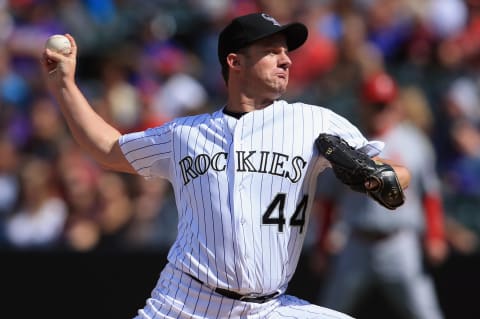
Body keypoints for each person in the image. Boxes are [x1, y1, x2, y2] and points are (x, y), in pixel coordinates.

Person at [40, 12, 410, 319]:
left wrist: (376, 178)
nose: (287, 60)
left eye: (286, 52)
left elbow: (396, 171)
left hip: (269, 308)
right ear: (235, 62)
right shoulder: (186, 134)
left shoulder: (312, 122)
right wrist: (65, 86)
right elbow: (107, 148)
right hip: (185, 303)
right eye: (271, 51)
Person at [314, 72, 446, 319]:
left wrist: (435, 234)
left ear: (395, 104)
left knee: (426, 313)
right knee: (328, 312)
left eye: (384, 104)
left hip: (399, 243)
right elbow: (329, 200)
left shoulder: (414, 142)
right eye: (374, 105)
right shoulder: (347, 144)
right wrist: (322, 243)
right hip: (356, 243)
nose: (380, 110)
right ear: (362, 105)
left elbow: (431, 194)